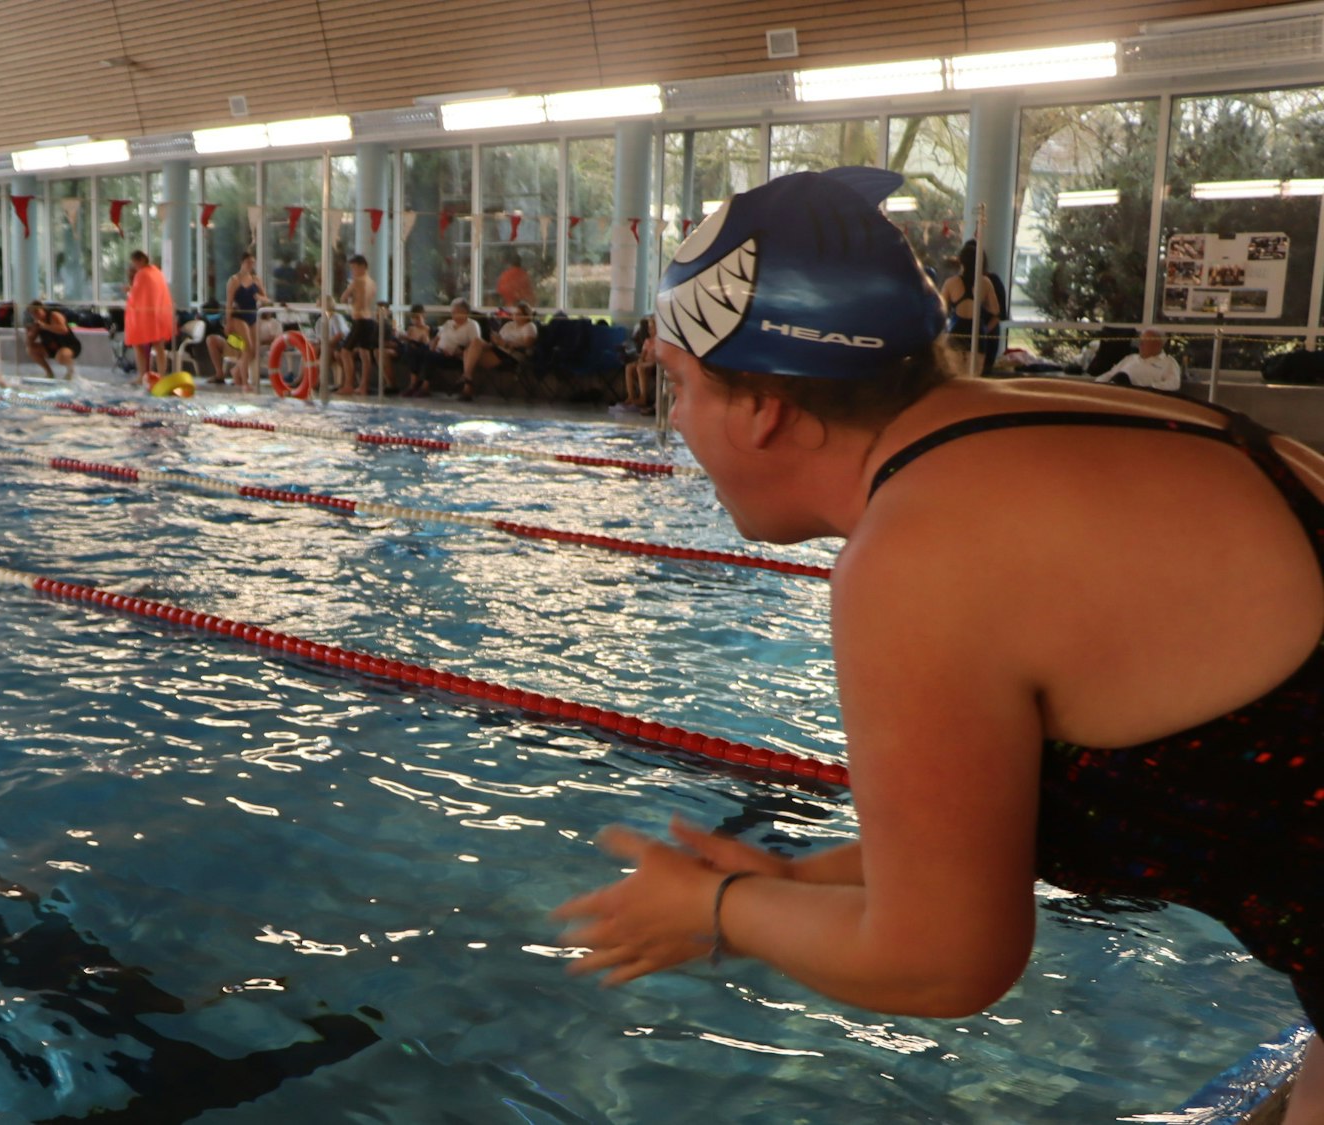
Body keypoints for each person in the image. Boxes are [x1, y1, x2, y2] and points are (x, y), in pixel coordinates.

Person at [552, 166, 1324, 1122]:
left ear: (762, 406)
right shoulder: (1023, 429)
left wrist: (716, 913)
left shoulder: (919, 551)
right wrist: (792, 882)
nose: (673, 424)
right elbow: (994, 829)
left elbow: (946, 958)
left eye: (678, 385)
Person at [940, 239, 1004, 376]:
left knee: (956, 379)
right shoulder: (985, 282)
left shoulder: (951, 283)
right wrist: (985, 330)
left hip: (956, 333)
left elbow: (940, 311)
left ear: (961, 262)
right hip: (977, 333)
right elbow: (996, 312)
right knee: (974, 380)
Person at [462, 301, 537, 397]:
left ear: (526, 316)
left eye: (519, 314)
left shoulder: (529, 326)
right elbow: (499, 339)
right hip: (497, 348)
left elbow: (527, 345)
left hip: (510, 354)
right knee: (475, 342)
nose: (515, 316)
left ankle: (467, 384)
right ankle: (467, 379)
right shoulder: (508, 325)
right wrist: (495, 340)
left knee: (467, 354)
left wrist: (505, 344)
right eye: (514, 314)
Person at [124, 249, 172, 384]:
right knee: (159, 347)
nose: (134, 266)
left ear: (140, 260)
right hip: (158, 316)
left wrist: (129, 291)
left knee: (138, 346)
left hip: (144, 318)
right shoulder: (157, 272)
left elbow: (136, 295)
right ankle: (162, 375)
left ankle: (142, 375)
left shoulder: (142, 274)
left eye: (134, 262)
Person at [222, 252, 265, 390]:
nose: (251, 265)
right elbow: (229, 303)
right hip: (239, 316)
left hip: (252, 315)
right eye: (248, 262)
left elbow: (265, 298)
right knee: (247, 348)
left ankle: (236, 370)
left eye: (253, 263)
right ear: (242, 263)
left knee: (253, 351)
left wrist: (260, 297)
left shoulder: (256, 279)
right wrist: (228, 322)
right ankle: (245, 382)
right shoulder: (234, 280)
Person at [338, 254, 379, 396]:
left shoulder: (357, 281)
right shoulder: (372, 283)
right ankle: (363, 386)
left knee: (345, 351)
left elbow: (343, 298)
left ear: (362, 267)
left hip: (360, 319)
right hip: (369, 320)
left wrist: (351, 299)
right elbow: (368, 299)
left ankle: (348, 384)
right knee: (364, 353)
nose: (353, 271)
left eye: (354, 268)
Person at [1096, 328, 1182, 392]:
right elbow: (1109, 375)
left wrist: (1148, 388)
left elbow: (1173, 384)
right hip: (1115, 393)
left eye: (1145, 341)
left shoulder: (1168, 362)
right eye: (1140, 340)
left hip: (1142, 397)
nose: (1140, 344)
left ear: (1157, 344)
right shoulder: (1130, 358)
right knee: (1120, 377)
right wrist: (1097, 384)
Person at [432, 298, 482, 399]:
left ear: (465, 312)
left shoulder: (472, 325)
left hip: (454, 356)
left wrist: (456, 352)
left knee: (426, 356)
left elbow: (475, 343)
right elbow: (436, 339)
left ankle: (466, 378)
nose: (453, 315)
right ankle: (467, 379)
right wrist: (432, 347)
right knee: (420, 352)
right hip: (438, 351)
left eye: (456, 312)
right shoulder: (448, 323)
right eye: (452, 312)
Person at [24, 300, 80, 379]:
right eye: (32, 314)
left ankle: (71, 371)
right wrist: (30, 335)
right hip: (51, 348)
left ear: (43, 309)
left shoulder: (54, 315)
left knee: (61, 357)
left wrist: (45, 326)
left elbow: (63, 330)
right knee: (30, 350)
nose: (35, 315)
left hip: (69, 345)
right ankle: (49, 373)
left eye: (37, 312)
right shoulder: (37, 324)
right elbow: (28, 343)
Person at [391, 304, 436, 397]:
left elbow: (429, 344)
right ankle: (413, 384)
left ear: (424, 317)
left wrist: (422, 338)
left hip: (423, 349)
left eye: (418, 318)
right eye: (413, 318)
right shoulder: (411, 328)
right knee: (410, 349)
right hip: (411, 350)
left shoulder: (428, 329)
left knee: (417, 350)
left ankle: (414, 384)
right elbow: (408, 339)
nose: (416, 320)